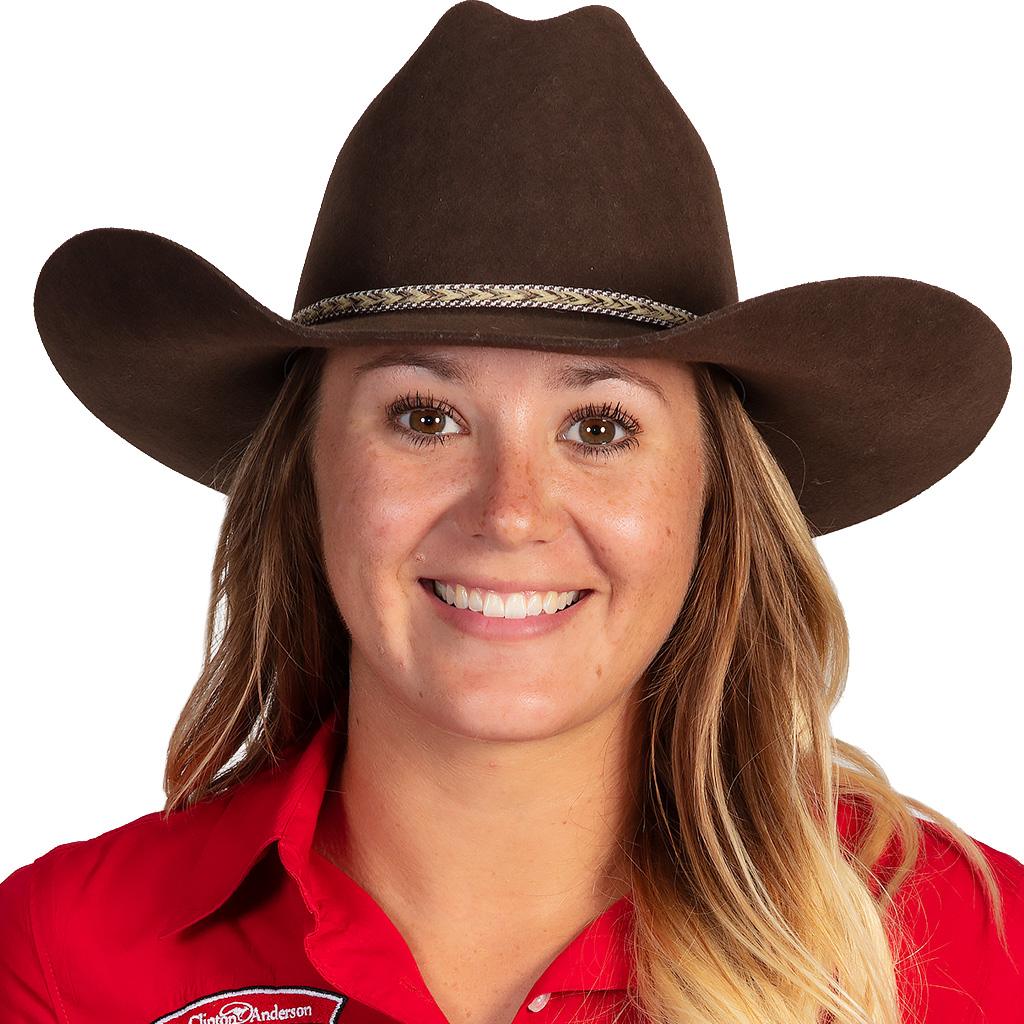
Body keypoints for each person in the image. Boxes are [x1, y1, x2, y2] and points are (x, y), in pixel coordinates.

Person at [3, 3, 1020, 1023]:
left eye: (600, 428)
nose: (510, 513)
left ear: (714, 498)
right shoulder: (61, 955)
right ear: (303, 475)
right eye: (424, 417)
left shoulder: (984, 952)